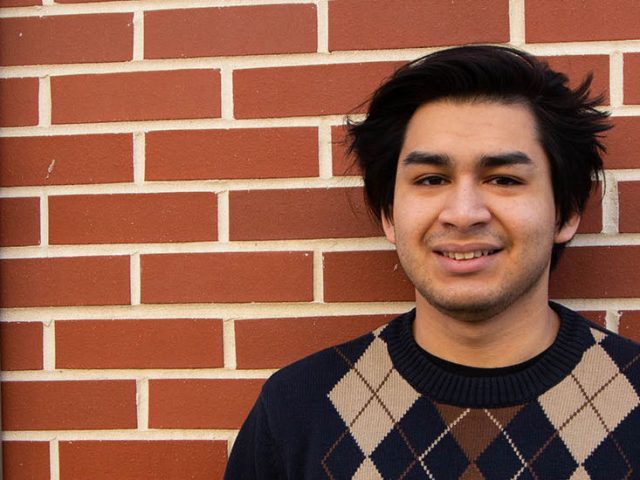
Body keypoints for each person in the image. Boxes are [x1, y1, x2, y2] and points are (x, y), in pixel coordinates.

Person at [224, 45, 640, 479]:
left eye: (503, 179)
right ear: (388, 215)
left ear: (566, 212)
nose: (463, 213)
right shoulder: (298, 410)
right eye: (431, 179)